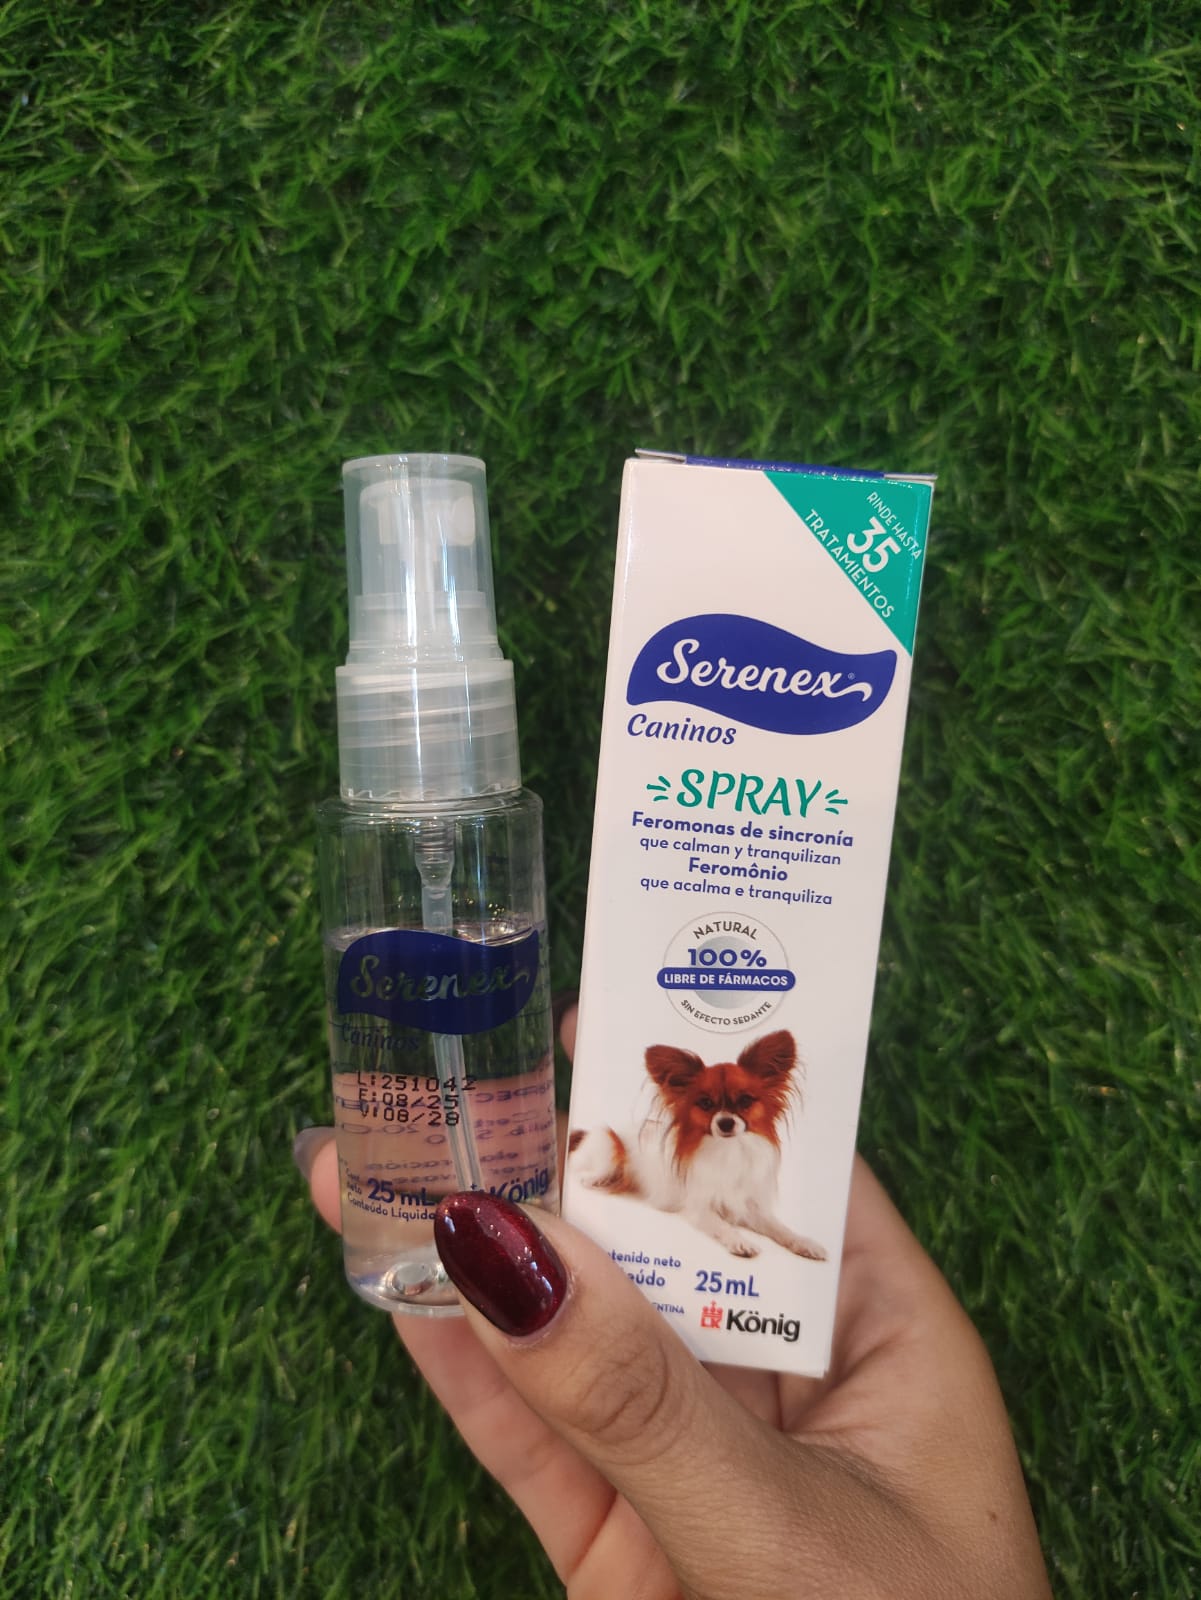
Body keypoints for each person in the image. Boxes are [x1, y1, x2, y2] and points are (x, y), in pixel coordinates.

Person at [295, 1002, 1053, 1599]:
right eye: (711, 1106)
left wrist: (785, 1238)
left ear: (768, 1097)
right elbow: (703, 1210)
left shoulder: (753, 1152)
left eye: (742, 1104)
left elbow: (751, 1209)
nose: (727, 1116)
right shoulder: (675, 1143)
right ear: (681, 1100)